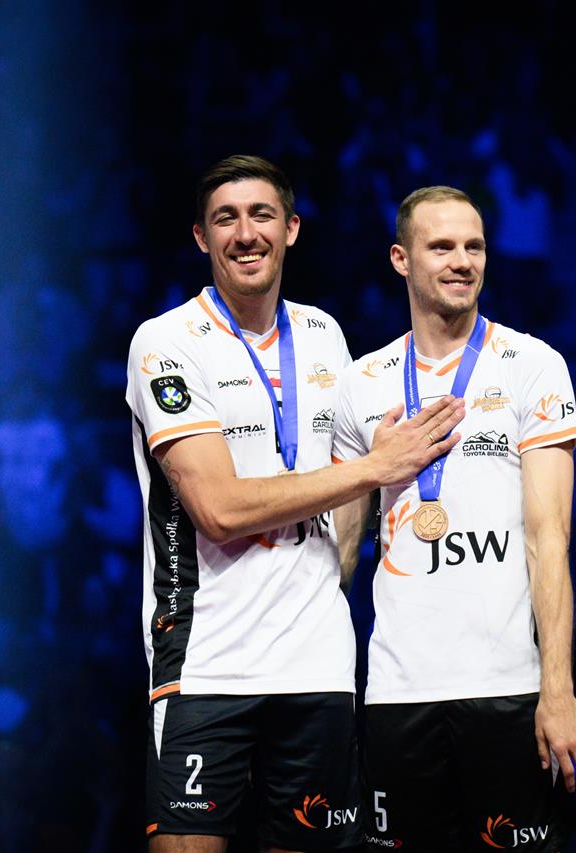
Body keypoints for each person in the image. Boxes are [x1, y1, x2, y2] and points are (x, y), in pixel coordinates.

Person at [125, 155, 464, 852]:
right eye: (226, 219)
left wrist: (335, 576)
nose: (246, 234)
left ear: (291, 229)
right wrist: (374, 468)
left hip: (319, 662)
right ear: (201, 237)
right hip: (207, 659)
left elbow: (345, 480)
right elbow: (218, 510)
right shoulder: (165, 341)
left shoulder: (322, 334)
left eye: (262, 215)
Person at [332, 185, 576, 852]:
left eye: (474, 246)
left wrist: (557, 689)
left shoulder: (533, 366)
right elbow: (340, 556)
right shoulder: (361, 382)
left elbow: (549, 540)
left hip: (507, 688)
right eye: (442, 247)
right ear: (401, 259)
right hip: (396, 692)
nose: (462, 261)